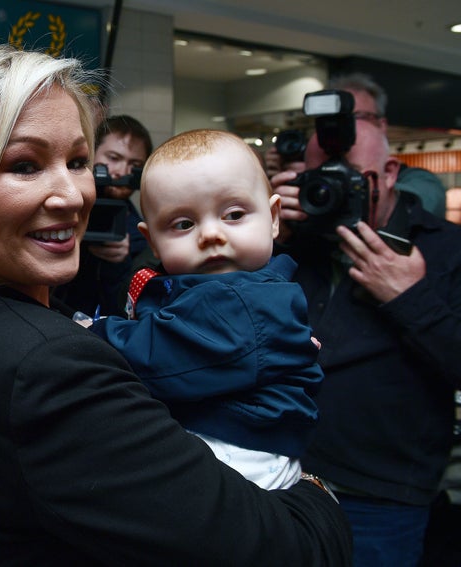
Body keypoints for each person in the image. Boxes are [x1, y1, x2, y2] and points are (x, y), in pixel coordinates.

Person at [0, 44, 352, 566]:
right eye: (24, 165)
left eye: (79, 161)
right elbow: (289, 552)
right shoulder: (49, 368)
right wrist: (315, 489)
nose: (72, 194)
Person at [271, 113, 461, 566]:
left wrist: (409, 297)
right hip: (282, 477)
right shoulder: (296, 239)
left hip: (382, 496)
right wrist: (267, 220)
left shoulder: (447, 249)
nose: (332, 190)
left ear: (391, 173)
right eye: (320, 178)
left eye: (349, 178)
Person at [90, 129, 324, 490]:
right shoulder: (209, 289)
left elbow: (157, 356)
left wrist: (94, 332)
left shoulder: (246, 301)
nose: (211, 234)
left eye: (233, 214)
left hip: (244, 451)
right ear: (151, 239)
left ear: (273, 218)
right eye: (183, 224)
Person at [52, 114, 152, 317]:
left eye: (134, 164)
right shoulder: (63, 206)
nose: (121, 171)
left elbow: (128, 312)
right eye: (113, 158)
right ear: (90, 153)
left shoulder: (140, 233)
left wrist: (119, 265)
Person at [326, 72, 447, 217]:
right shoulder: (312, 171)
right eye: (331, 119)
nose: (343, 126)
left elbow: (413, 204)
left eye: (357, 117)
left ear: (381, 125)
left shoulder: (419, 181)